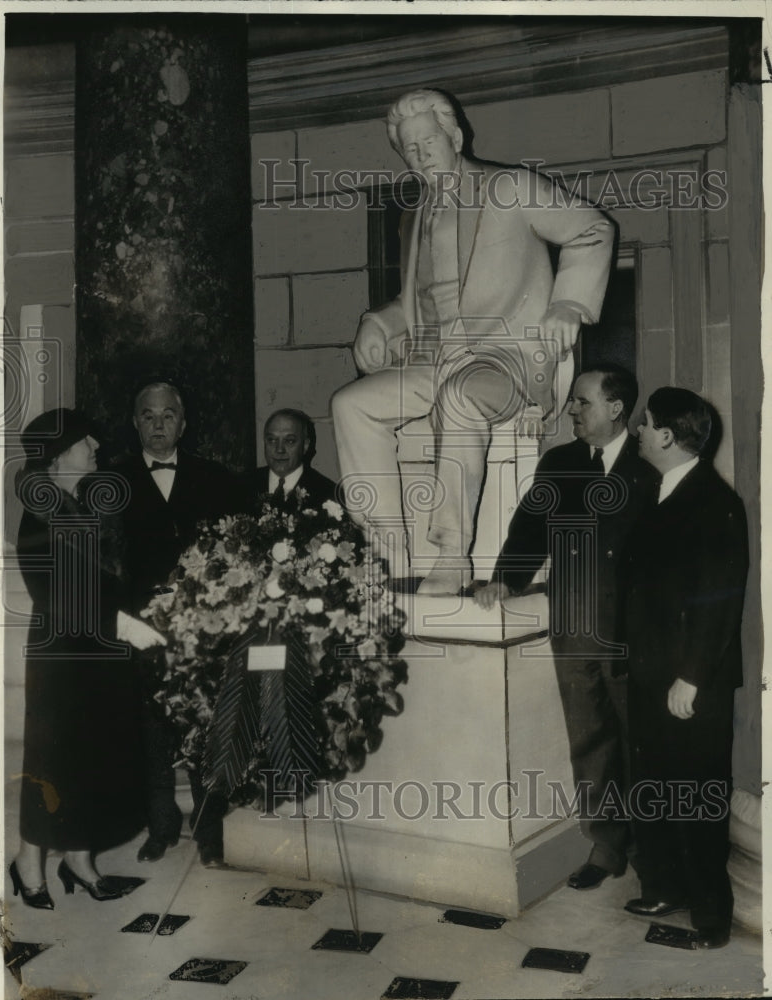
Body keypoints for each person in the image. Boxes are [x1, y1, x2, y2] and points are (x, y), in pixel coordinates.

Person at [332, 88, 614, 594]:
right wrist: (379, 323)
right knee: (351, 405)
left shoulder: (510, 187)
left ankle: (452, 555)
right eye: (409, 149)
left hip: (507, 361)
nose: (420, 154)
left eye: (428, 142)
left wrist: (569, 304)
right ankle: (389, 553)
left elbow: (592, 230)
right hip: (436, 359)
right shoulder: (414, 217)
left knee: (459, 396)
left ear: (455, 136)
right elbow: (423, 301)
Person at [474, 364, 658, 890]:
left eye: (582, 402)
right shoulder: (559, 463)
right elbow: (529, 528)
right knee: (590, 740)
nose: (571, 411)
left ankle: (651, 852)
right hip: (575, 627)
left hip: (634, 633)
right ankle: (605, 847)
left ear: (616, 408)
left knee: (639, 742)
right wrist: (504, 580)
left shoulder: (650, 464)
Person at [11, 408, 165, 907]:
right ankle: (27, 863)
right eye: (84, 442)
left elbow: (112, 579)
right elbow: (55, 595)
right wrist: (120, 624)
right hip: (62, 656)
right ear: (58, 458)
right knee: (53, 760)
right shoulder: (40, 514)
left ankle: (78, 860)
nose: (96, 446)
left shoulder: (93, 505)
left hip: (100, 655)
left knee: (91, 761)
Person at [621, 388, 748, 949]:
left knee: (697, 796)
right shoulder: (658, 491)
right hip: (652, 673)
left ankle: (712, 916)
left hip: (691, 682)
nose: (637, 432)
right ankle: (666, 886)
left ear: (667, 436)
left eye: (644, 425)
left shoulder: (714, 502)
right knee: (655, 786)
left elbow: (719, 600)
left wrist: (691, 676)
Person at [115, 381, 241, 865]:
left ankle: (210, 830)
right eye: (148, 415)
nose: (159, 425)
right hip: (142, 630)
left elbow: (236, 555)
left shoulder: (216, 478)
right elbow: (109, 565)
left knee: (206, 734)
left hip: (205, 630)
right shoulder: (115, 481)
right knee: (152, 734)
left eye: (168, 415)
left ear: (183, 423)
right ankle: (160, 826)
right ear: (135, 423)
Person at [247, 408, 338, 513]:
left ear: (305, 445)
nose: (279, 449)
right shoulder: (240, 487)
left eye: (289, 441)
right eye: (272, 440)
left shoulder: (328, 495)